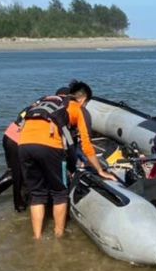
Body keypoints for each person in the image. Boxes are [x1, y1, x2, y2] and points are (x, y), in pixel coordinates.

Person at [17, 80, 114, 239]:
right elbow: (86, 144)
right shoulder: (77, 108)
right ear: (82, 99)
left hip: (24, 145)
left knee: (37, 194)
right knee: (60, 193)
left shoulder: (45, 100)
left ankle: (37, 238)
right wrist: (100, 170)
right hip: (49, 145)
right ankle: (59, 236)